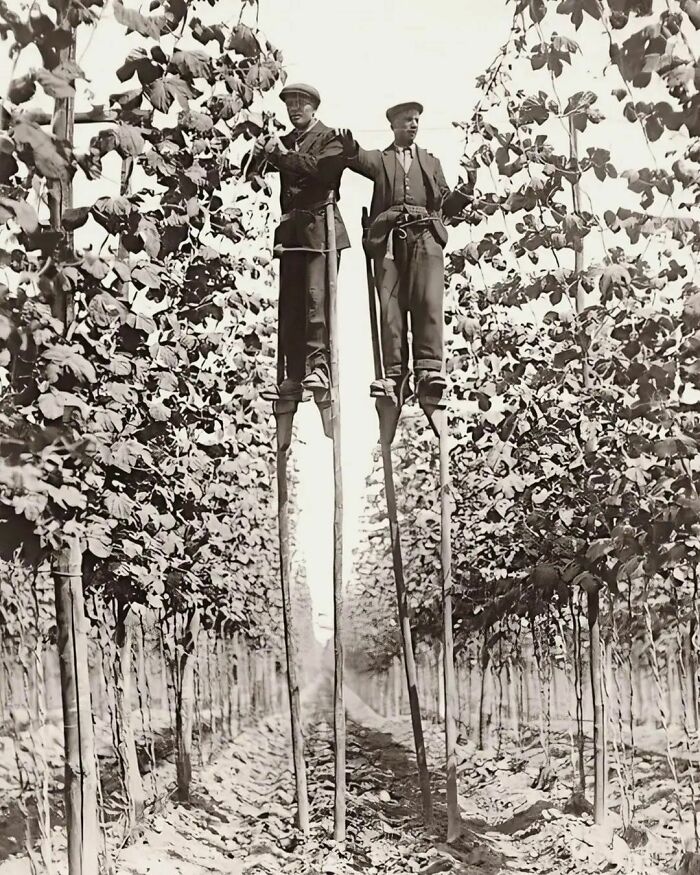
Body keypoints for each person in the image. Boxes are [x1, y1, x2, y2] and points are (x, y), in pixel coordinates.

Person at [337, 102, 474, 403]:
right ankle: (395, 377)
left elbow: (445, 203)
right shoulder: (381, 160)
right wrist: (350, 149)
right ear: (393, 126)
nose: (412, 125)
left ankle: (428, 371)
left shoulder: (430, 161)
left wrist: (466, 192)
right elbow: (360, 159)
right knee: (391, 308)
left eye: (416, 120)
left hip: (425, 235)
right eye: (406, 121)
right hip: (389, 239)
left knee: (428, 301)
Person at [253, 83, 349, 400]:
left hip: (321, 228)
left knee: (315, 300)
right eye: (290, 106)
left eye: (300, 105)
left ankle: (318, 368)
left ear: (314, 108)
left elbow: (321, 171)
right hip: (292, 232)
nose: (295, 110)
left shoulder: (331, 138)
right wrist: (260, 149)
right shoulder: (286, 141)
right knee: (291, 305)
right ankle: (293, 375)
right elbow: (253, 172)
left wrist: (281, 155)